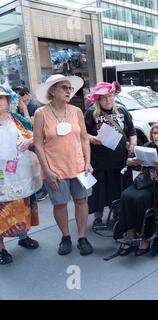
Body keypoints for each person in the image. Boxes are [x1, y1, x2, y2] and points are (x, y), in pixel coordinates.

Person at [33, 74, 94, 256]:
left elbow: (84, 139)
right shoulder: (41, 113)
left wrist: (88, 162)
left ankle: (82, 237)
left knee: (82, 201)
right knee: (60, 204)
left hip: (79, 166)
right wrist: (47, 170)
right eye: (64, 88)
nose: (69, 91)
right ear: (53, 91)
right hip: (54, 168)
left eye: (70, 88)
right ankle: (65, 236)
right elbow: (37, 144)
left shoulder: (76, 111)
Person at [117, 123, 158, 256]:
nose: (155, 136)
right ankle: (130, 233)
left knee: (141, 198)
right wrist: (134, 161)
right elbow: (127, 161)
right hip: (145, 181)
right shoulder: (147, 147)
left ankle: (145, 236)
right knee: (126, 195)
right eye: (154, 133)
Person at [84, 82, 137, 227]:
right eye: (104, 98)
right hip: (99, 160)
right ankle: (97, 217)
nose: (108, 100)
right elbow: (82, 134)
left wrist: (133, 144)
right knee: (99, 190)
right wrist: (91, 138)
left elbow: (132, 131)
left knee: (118, 188)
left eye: (110, 96)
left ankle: (117, 214)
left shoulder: (122, 111)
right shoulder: (90, 113)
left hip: (120, 159)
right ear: (98, 100)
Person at [0, 86, 40, 265]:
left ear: (8, 101)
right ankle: (1, 248)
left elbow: (35, 134)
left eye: (2, 98)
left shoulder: (17, 119)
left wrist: (29, 141)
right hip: (1, 176)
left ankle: (23, 236)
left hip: (21, 173)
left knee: (22, 205)